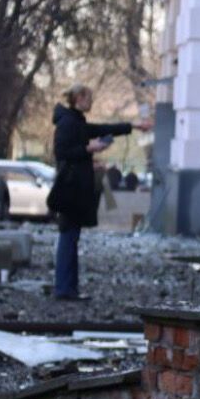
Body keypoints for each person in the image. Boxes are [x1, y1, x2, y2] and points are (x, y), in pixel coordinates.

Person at [47, 84, 149, 300]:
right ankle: (64, 289)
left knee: (71, 237)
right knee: (68, 237)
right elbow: (61, 152)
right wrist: (88, 149)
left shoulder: (75, 121)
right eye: (89, 97)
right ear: (79, 98)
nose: (91, 102)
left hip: (73, 188)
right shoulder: (68, 122)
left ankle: (68, 288)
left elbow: (101, 129)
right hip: (69, 189)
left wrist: (133, 127)